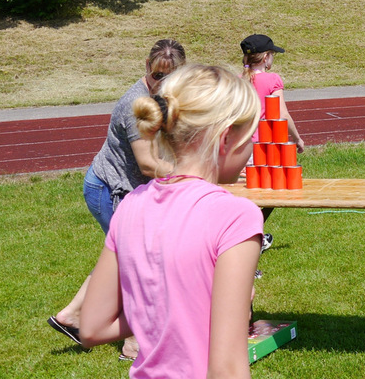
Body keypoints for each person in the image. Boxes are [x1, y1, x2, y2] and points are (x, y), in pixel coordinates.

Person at [79, 64, 263, 378]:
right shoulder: (236, 216)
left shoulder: (131, 205)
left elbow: (92, 327)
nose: (252, 148)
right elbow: (227, 367)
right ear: (225, 137)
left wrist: (171, 307)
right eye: (251, 137)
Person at [48, 39, 186, 360]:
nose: (160, 83)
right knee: (139, 264)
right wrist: (191, 173)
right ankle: (134, 343)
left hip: (130, 193)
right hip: (109, 189)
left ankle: (72, 315)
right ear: (146, 67)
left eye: (169, 77)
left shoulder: (166, 98)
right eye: (156, 75)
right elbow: (148, 164)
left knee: (124, 259)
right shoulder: (135, 103)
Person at [240, 34, 304, 150]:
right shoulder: (273, 79)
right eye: (272, 55)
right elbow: (283, 114)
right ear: (265, 57)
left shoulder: (237, 80)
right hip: (264, 144)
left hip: (240, 145)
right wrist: (297, 138)